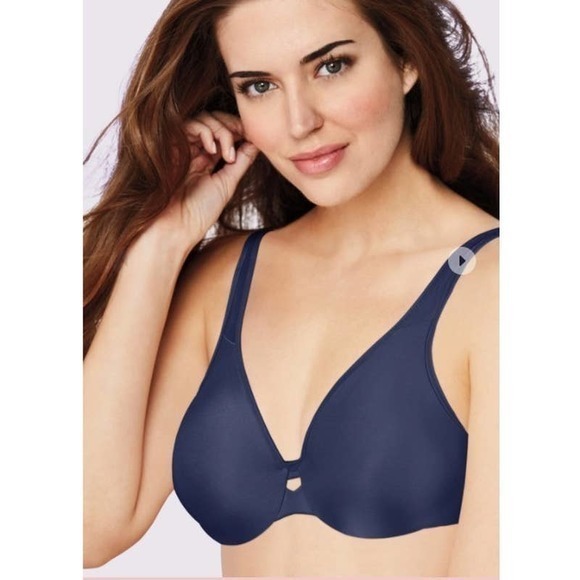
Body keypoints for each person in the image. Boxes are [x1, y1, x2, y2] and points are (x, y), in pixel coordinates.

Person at [83, 0, 499, 576]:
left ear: (407, 59)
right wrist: (160, 244)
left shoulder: (499, 289)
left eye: (331, 66)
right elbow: (85, 529)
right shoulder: (222, 282)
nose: (299, 122)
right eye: (259, 86)